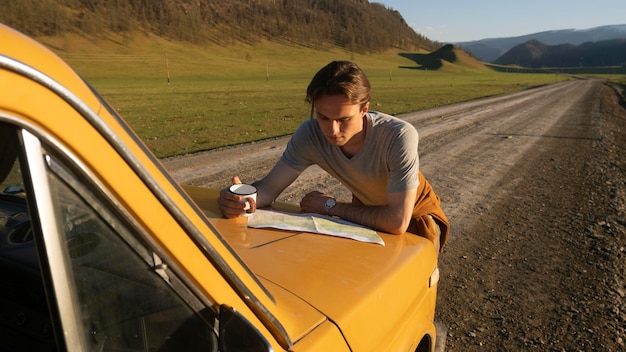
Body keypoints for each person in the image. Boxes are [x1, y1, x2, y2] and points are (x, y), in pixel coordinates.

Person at [218, 61, 449, 252]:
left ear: (364, 109)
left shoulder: (398, 136)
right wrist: (242, 200)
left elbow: (397, 221)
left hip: (418, 221)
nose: (332, 130)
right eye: (323, 117)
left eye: (343, 119)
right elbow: (269, 187)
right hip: (366, 218)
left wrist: (330, 205)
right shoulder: (310, 134)